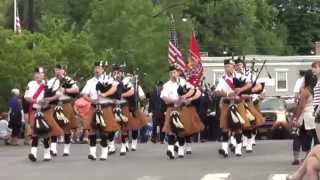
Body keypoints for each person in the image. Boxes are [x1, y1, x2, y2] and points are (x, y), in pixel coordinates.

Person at [160, 65, 204, 159]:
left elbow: (195, 91)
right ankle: (170, 149)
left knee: (181, 130)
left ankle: (180, 149)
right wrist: (174, 100)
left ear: (178, 73)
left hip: (182, 108)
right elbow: (164, 97)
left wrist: (188, 98)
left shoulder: (184, 82)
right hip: (172, 108)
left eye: (174, 72)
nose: (173, 74)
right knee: (170, 130)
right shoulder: (167, 85)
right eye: (171, 73)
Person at [81, 61, 120, 161]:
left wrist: (105, 94)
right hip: (94, 107)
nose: (97, 69)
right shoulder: (90, 82)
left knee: (104, 132)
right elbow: (84, 94)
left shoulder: (109, 79)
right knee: (92, 131)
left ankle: (104, 153)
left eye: (99, 68)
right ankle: (92, 154)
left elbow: (115, 88)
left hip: (105, 107)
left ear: (103, 69)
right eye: (96, 67)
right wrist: (91, 100)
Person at [24, 67, 64, 162]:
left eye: (41, 73)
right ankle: (33, 153)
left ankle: (47, 153)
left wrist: (48, 99)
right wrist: (37, 100)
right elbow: (27, 97)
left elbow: (58, 95)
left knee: (46, 132)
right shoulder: (31, 84)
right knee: (35, 131)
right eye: (37, 73)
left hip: (46, 110)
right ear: (35, 75)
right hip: (35, 109)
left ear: (44, 75)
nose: (39, 75)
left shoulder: (48, 84)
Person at [48, 64, 80, 157]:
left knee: (66, 127)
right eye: (56, 69)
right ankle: (53, 148)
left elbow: (76, 89)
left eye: (60, 69)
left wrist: (65, 90)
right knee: (54, 126)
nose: (58, 71)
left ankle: (66, 148)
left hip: (65, 104)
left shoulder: (68, 79)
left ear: (63, 71)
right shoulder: (51, 81)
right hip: (53, 105)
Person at [291, 70, 318, 165]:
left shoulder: (306, 91)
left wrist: (295, 118)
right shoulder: (316, 89)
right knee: (315, 137)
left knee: (298, 135)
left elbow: (301, 106)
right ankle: (312, 156)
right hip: (315, 115)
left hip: (306, 115)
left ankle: (297, 157)